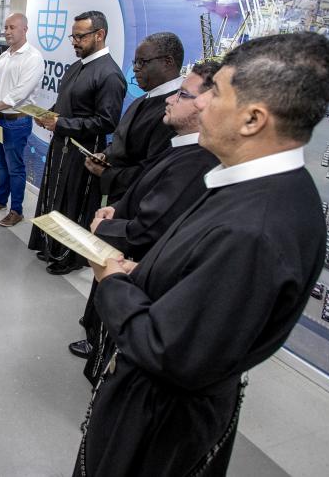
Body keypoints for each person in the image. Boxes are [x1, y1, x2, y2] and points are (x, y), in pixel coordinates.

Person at [76, 32, 329, 477]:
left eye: (215, 93)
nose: (199, 104)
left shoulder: (254, 229)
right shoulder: (251, 188)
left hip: (160, 425)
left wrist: (112, 278)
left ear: (253, 119)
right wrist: (152, 274)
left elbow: (168, 350)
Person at [72, 62, 221, 380]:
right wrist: (117, 208)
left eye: (182, 95)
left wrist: (103, 229)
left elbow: (151, 227)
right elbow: (145, 185)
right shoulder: (179, 147)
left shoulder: (196, 161)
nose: (169, 99)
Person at [28, 11, 127, 275]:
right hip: (62, 146)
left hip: (83, 152)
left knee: (75, 203)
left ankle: (69, 257)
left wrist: (61, 124)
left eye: (80, 36)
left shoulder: (109, 74)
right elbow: (66, 104)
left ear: (100, 35)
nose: (74, 41)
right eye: (73, 36)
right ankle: (51, 246)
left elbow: (106, 122)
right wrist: (48, 114)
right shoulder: (78, 66)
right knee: (54, 197)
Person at [83, 32, 184, 203]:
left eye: (142, 62)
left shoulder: (174, 112)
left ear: (168, 62)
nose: (136, 68)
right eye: (135, 62)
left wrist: (108, 174)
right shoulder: (143, 99)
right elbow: (125, 141)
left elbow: (154, 172)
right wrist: (106, 155)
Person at [0, 13, 43, 226]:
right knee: (1, 164)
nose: (7, 31)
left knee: (15, 167)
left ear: (24, 29)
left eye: (12, 27)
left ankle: (17, 210)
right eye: (5, 27)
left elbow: (19, 93)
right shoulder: (4, 56)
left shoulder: (33, 57)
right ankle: (0, 199)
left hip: (16, 121)